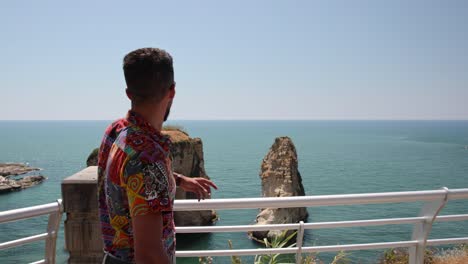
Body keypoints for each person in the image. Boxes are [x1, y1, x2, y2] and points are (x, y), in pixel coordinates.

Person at [97, 48, 217, 264]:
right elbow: (149, 255)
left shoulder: (116, 131)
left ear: (128, 93)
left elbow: (132, 181)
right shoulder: (148, 159)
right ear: (172, 91)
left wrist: (178, 180)